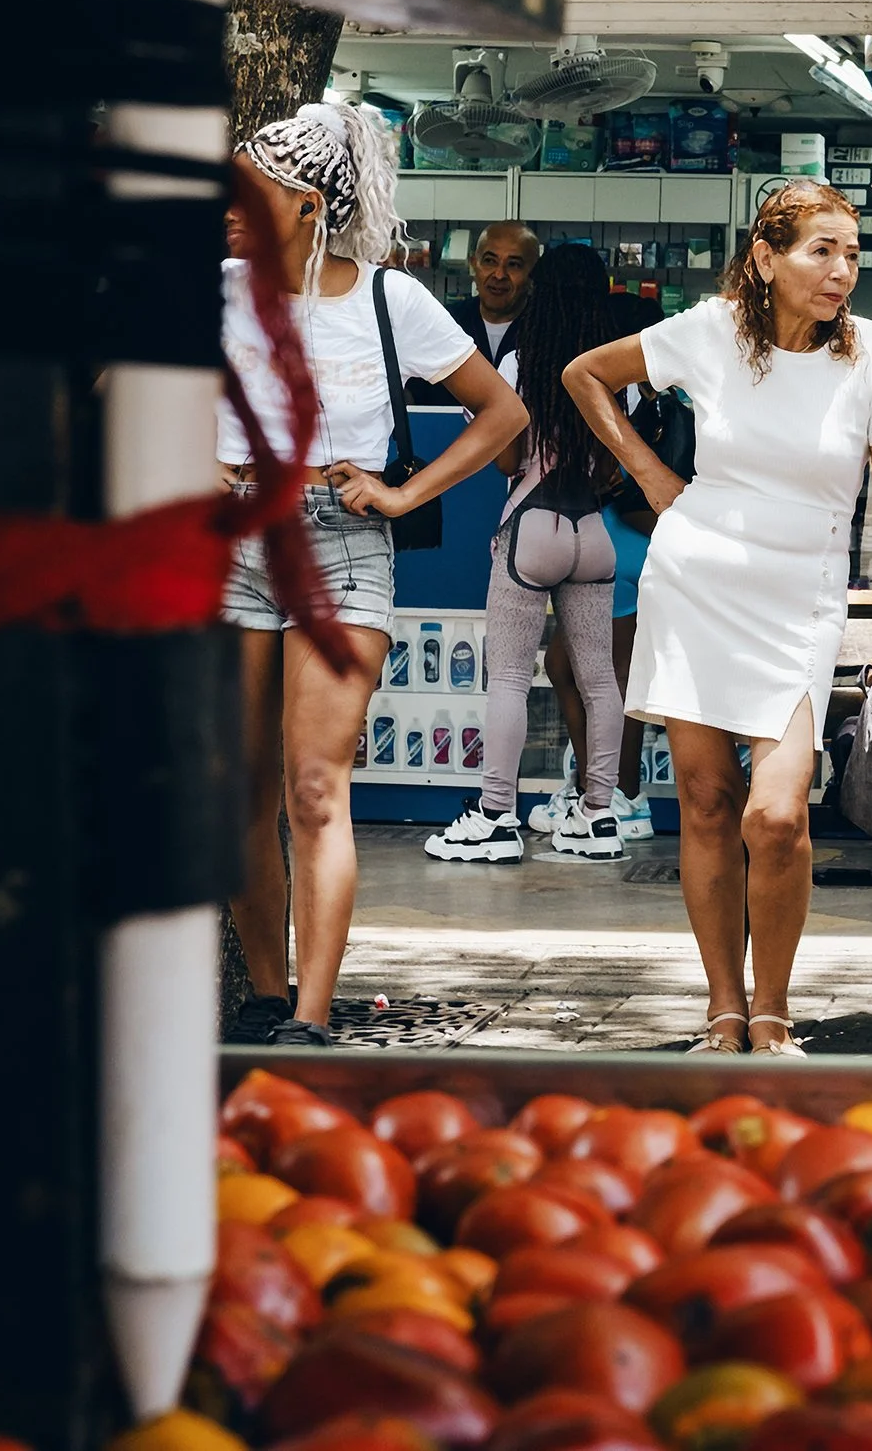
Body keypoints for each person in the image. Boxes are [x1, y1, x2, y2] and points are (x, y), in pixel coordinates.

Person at [567, 181, 872, 1056]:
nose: (842, 270)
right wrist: (652, 478)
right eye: (821, 251)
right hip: (694, 584)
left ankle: (775, 1007)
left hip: (801, 595)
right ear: (765, 257)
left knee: (775, 815)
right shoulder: (710, 329)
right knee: (704, 800)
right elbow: (585, 376)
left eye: (851, 253)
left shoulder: (870, 352)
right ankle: (729, 1010)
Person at [222, 102, 529, 1046]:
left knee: (316, 788)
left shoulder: (393, 303)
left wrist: (403, 495)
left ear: (308, 204)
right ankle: (266, 993)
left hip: (343, 542)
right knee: (238, 787)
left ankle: (311, 1015)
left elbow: (502, 414)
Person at [426, 244, 644, 865]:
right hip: (591, 533)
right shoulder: (612, 376)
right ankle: (599, 815)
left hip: (530, 525)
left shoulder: (520, 362)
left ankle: (496, 815)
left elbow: (504, 459)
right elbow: (611, 469)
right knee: (602, 679)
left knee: (512, 679)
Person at [537, 293, 675, 844]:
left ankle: (620, 794)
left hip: (623, 557)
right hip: (614, 551)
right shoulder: (632, 398)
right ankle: (599, 787)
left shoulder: (642, 403)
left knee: (610, 674)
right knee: (572, 667)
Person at [416, 221, 539, 405]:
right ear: (474, 265)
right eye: (490, 261)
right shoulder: (443, 323)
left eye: (513, 264)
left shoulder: (544, 333)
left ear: (532, 274)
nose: (499, 275)